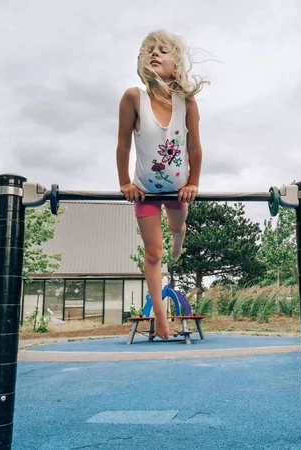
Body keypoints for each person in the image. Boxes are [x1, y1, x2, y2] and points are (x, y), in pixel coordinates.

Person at [116, 30, 207, 340]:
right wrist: (125, 182)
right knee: (154, 252)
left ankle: (178, 239)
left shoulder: (186, 101)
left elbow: (194, 147)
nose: (154, 54)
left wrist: (194, 182)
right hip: (146, 190)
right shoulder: (133, 98)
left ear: (176, 63)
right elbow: (123, 144)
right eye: (150, 50)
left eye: (163, 51)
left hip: (178, 188)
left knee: (177, 228)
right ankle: (159, 312)